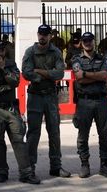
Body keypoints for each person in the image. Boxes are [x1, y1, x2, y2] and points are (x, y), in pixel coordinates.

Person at [0, 40, 40, 184]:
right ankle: (2, 171)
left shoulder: (11, 65)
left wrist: (3, 69)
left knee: (19, 140)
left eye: (2, 50)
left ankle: (26, 173)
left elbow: (15, 82)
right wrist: (7, 87)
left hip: (11, 109)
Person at [21, 24, 70, 179]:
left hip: (50, 97)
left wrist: (40, 72)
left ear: (50, 36)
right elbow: (27, 73)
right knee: (33, 133)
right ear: (37, 35)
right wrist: (45, 76)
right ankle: (30, 168)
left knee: (54, 132)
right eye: (40, 34)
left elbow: (60, 73)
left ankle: (56, 166)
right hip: (35, 96)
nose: (42, 36)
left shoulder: (55, 52)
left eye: (45, 34)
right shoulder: (30, 52)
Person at [71, 32, 107, 179]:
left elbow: (105, 75)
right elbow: (79, 78)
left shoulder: (102, 58)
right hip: (84, 102)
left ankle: (104, 165)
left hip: (101, 101)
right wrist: (95, 76)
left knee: (104, 135)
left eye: (90, 40)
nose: (87, 43)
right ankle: (85, 164)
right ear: (82, 43)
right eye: (85, 41)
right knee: (83, 135)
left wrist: (86, 75)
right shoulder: (76, 59)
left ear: (93, 41)